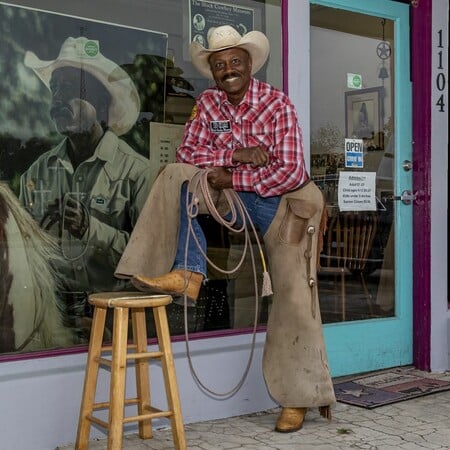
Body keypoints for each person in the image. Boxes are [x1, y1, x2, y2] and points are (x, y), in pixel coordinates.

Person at [115, 25, 336, 432]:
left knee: (293, 299)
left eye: (235, 61)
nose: (228, 70)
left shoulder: (277, 103)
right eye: (220, 65)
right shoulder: (208, 104)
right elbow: (187, 152)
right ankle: (187, 271)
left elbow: (289, 172)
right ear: (212, 72)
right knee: (178, 173)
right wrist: (239, 154)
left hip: (285, 206)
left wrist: (233, 177)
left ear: (250, 64)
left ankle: (297, 398)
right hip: (233, 191)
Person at [19, 37, 151, 323]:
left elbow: (150, 262)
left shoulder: (137, 173)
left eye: (68, 88)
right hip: (48, 322)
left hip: (118, 322)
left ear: (102, 103)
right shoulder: (37, 173)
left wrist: (92, 229)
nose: (56, 100)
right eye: (54, 89)